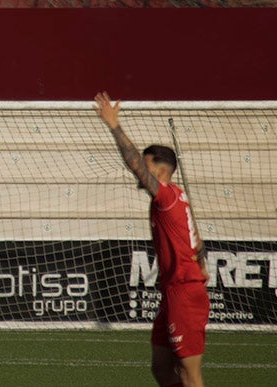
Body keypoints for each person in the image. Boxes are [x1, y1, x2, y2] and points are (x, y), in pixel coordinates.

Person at [94, 92, 209, 387]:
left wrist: (114, 126)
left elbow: (135, 165)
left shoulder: (167, 196)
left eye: (148, 167)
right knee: (160, 368)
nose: (141, 172)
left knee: (188, 373)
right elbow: (195, 233)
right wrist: (204, 261)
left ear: (160, 171)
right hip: (172, 291)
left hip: (184, 292)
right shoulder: (175, 200)